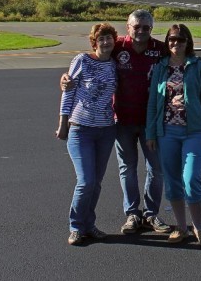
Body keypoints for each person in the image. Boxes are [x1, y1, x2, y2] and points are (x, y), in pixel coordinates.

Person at [61, 10, 201, 236]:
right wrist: (66, 78)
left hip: (153, 122)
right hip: (122, 119)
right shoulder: (117, 46)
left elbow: (183, 59)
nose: (141, 31)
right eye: (137, 27)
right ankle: (132, 213)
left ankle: (151, 213)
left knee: (156, 168)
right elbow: (92, 59)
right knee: (128, 168)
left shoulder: (159, 49)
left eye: (146, 27)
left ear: (151, 29)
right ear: (128, 27)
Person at [146, 24, 201, 247]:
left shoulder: (197, 65)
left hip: (194, 131)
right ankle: (181, 227)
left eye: (180, 39)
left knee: (191, 179)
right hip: (167, 131)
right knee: (172, 181)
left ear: (188, 42)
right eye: (171, 39)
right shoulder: (160, 67)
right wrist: (151, 133)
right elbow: (152, 103)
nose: (175, 43)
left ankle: (199, 227)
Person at [56, 23, 118, 246]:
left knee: (97, 182)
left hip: (106, 129)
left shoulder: (114, 65)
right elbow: (68, 90)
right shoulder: (82, 60)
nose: (105, 42)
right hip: (80, 128)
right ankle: (75, 227)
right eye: (101, 38)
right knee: (85, 181)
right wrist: (63, 123)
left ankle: (89, 225)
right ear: (94, 42)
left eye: (109, 38)